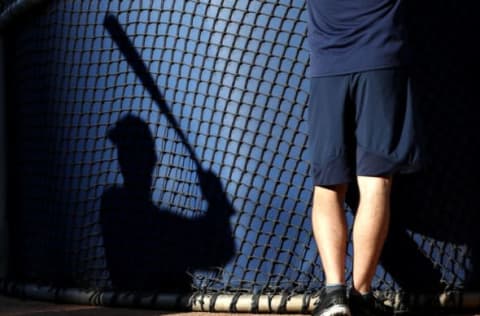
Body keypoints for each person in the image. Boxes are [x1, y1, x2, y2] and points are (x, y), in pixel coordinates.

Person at [306, 1, 423, 315]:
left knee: (328, 183)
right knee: (375, 183)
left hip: (329, 67)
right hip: (382, 62)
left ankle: (335, 295)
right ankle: (359, 296)